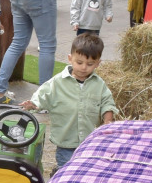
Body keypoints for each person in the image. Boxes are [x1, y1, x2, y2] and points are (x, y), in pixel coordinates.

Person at [21, 33, 117, 171]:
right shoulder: (58, 82)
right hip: (66, 142)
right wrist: (33, 104)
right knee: (66, 171)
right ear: (70, 59)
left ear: (98, 63)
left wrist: (108, 120)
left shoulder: (99, 84)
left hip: (89, 143)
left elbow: (107, 102)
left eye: (90, 64)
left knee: (85, 171)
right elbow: (42, 95)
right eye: (79, 62)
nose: (84, 67)